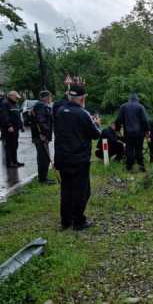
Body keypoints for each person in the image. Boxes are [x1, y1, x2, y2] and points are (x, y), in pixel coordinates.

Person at [54, 84, 101, 230]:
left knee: (66, 190)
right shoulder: (83, 113)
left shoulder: (60, 111)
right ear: (82, 99)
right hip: (79, 159)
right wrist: (97, 124)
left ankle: (65, 221)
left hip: (62, 158)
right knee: (82, 191)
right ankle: (78, 221)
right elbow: (95, 134)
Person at [115, 93, 149, 172]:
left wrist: (117, 129)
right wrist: (147, 131)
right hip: (139, 133)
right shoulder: (140, 106)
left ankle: (129, 167)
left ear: (129, 99)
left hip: (128, 132)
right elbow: (145, 120)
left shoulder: (123, 106)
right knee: (139, 149)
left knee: (129, 149)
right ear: (137, 100)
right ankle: (141, 167)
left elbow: (119, 119)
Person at [31, 90, 55, 184]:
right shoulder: (40, 106)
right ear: (46, 97)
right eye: (50, 97)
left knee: (44, 157)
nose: (51, 99)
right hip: (41, 137)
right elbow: (41, 121)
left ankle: (43, 177)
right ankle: (42, 179)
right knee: (43, 158)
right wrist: (44, 134)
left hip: (42, 136)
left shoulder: (41, 105)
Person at [0, 90, 24, 168]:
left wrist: (21, 125)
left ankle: (15, 161)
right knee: (9, 146)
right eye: (16, 97)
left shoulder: (15, 104)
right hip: (8, 129)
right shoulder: (5, 104)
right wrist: (9, 125)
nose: (17, 99)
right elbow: (4, 116)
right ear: (11, 96)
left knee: (15, 145)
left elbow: (18, 116)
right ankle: (9, 163)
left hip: (15, 129)